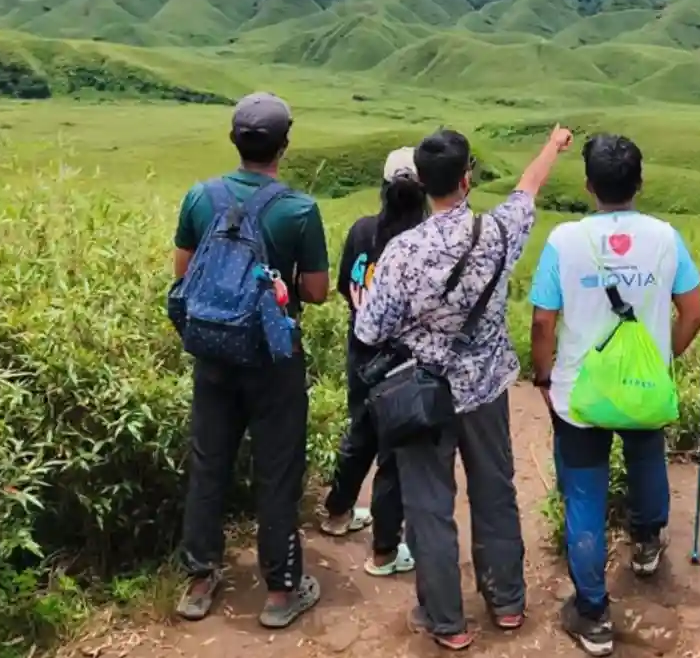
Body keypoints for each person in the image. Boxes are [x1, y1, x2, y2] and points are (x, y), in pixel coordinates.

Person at [355, 125, 573, 651]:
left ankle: (447, 621)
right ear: (467, 179)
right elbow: (528, 189)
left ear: (423, 184)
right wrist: (553, 145)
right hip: (486, 387)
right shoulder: (498, 232)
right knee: (495, 491)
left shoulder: (404, 252)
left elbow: (369, 331)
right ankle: (507, 602)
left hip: (420, 395)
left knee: (429, 504)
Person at [529, 134, 700, 657]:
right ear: (640, 183)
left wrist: (543, 377)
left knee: (584, 494)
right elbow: (692, 313)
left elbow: (543, 321)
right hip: (641, 388)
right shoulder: (666, 237)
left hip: (580, 391)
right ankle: (647, 546)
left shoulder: (563, 240)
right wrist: (661, 359)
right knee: (647, 459)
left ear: (588, 185)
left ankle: (593, 616)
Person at [171, 92, 331, 629]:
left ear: (234, 140)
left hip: (213, 353)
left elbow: (183, 274)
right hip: (272, 356)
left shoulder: (199, 197)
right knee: (278, 470)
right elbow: (315, 292)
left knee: (209, 462)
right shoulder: (299, 209)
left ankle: (198, 580)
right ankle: (281, 591)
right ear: (284, 146)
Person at [318, 147, 424, 577]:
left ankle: (338, 512)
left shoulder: (362, 231)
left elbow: (346, 284)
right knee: (395, 452)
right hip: (403, 360)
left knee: (360, 429)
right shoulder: (424, 240)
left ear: (383, 188)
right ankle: (383, 550)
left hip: (361, 349)